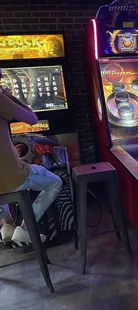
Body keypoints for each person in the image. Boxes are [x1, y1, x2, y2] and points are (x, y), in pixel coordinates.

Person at [0, 68, 63, 243]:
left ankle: (5, 223)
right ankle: (25, 228)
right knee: (55, 182)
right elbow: (32, 119)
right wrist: (8, 96)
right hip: (13, 176)